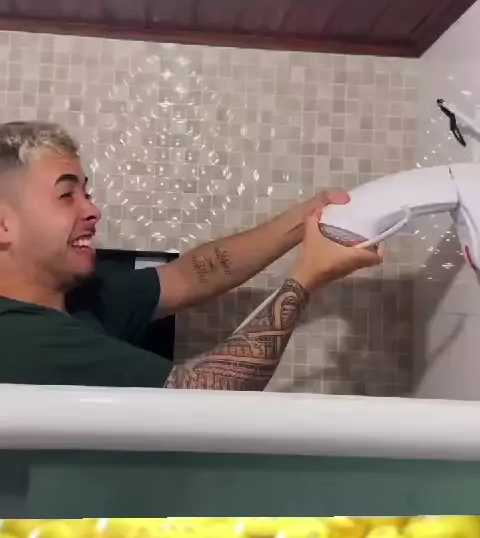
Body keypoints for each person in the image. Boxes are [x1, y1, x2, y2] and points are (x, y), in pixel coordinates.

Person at [0, 121, 381, 391]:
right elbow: (203, 398)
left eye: (87, 193)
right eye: (67, 195)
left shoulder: (79, 299)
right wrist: (306, 279)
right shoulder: (19, 339)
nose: (93, 210)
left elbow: (193, 275)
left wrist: (309, 216)